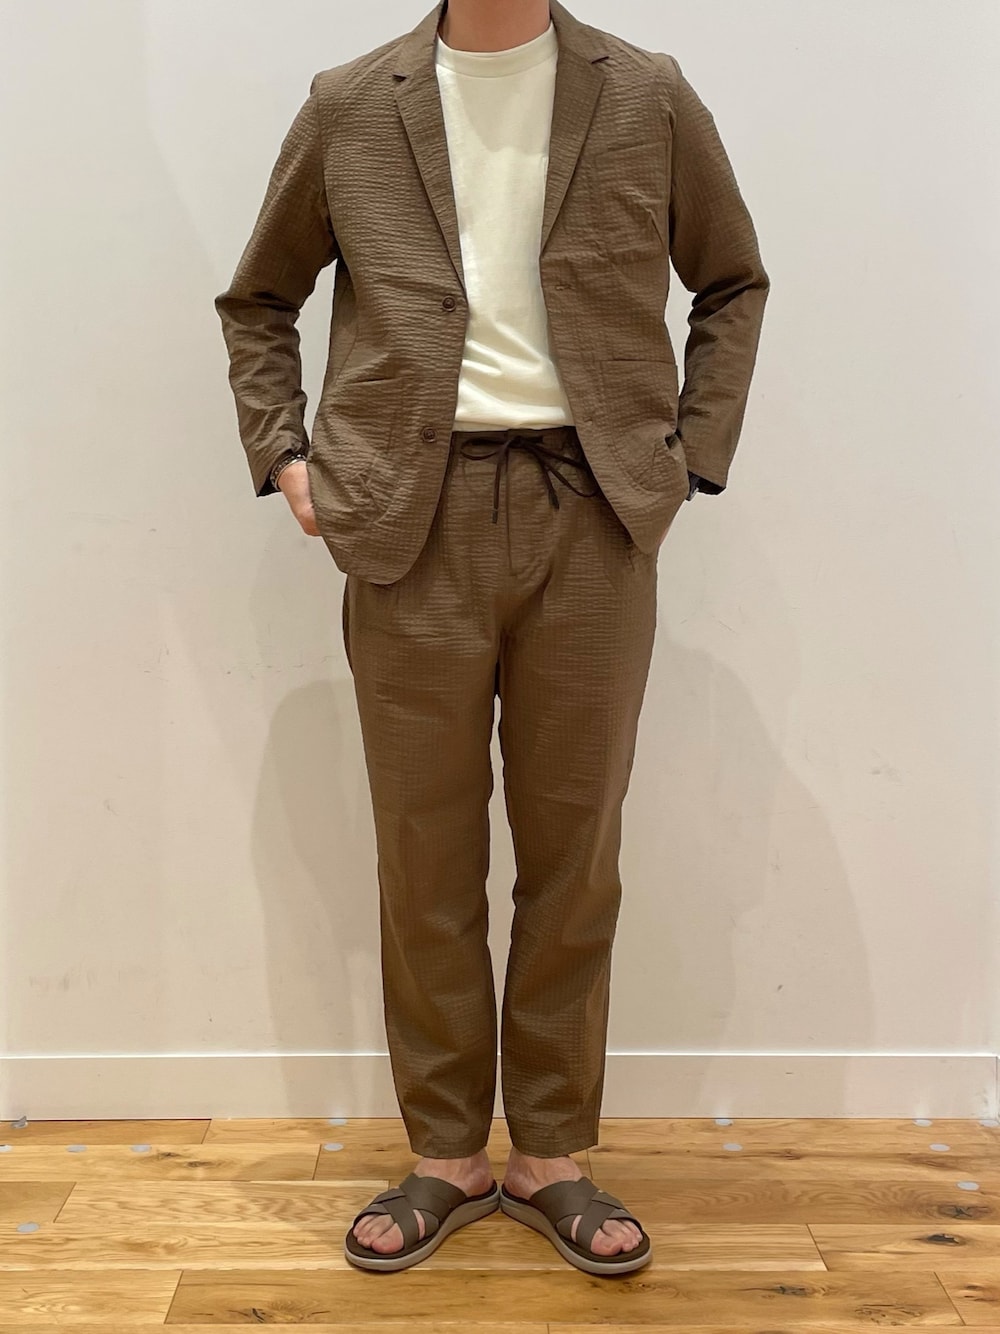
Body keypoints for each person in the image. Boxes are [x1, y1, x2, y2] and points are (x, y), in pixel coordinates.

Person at [215, 0, 769, 1277]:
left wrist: (691, 455)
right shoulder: (351, 102)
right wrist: (285, 453)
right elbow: (259, 299)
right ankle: (449, 1148)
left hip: (595, 511)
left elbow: (731, 279)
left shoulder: (645, 92)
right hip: (410, 516)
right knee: (425, 848)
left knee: (576, 848)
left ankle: (551, 1151)